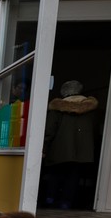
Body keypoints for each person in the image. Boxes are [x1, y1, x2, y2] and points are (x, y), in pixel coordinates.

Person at [41, 80, 98, 209]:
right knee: (73, 176)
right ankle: (66, 202)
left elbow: (49, 130)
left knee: (55, 173)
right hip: (82, 150)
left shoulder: (57, 107)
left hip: (59, 148)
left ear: (64, 92)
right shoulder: (90, 109)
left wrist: (44, 147)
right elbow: (94, 129)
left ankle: (50, 199)